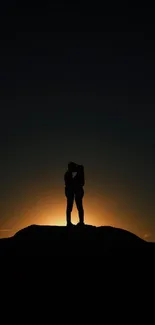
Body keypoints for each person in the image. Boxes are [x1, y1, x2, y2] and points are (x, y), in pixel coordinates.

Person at [64, 162, 85, 226]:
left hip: (76, 192)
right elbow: (69, 183)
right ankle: (69, 222)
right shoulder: (68, 174)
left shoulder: (76, 174)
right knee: (70, 207)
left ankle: (80, 222)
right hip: (71, 192)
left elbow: (82, 182)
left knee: (79, 206)